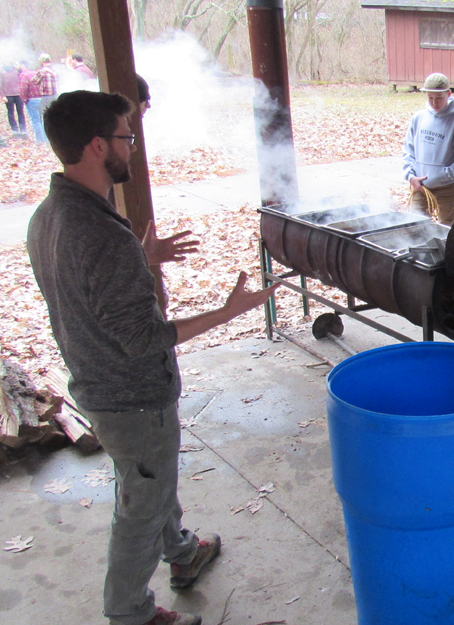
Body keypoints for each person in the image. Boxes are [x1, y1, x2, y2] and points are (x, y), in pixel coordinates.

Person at [27, 90, 276, 625]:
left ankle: (183, 554)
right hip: (132, 397)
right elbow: (143, 338)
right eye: (126, 137)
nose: (132, 148)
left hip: (96, 384)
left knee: (149, 478)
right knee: (140, 504)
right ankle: (129, 612)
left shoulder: (49, 215)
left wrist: (144, 257)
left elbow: (87, 292)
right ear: (98, 146)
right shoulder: (97, 233)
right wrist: (228, 311)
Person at [401, 72, 454, 225]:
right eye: (430, 98)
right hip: (420, 186)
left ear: (448, 94)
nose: (434, 102)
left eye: (439, 98)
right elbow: (408, 150)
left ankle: (442, 249)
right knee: (416, 224)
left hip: (447, 187)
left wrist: (443, 175)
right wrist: (410, 176)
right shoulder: (419, 118)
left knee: (445, 227)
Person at [25, 53, 58, 143]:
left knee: (46, 117)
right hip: (55, 96)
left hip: (46, 97)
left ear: (42, 61)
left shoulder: (42, 71)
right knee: (56, 116)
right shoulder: (54, 71)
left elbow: (34, 81)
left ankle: (47, 139)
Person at [2, 63, 26, 136]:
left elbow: (23, 77)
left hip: (18, 94)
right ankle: (15, 130)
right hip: (8, 95)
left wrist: (20, 69)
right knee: (10, 112)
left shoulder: (17, 70)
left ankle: (23, 130)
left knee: (20, 112)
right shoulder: (2, 71)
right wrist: (2, 95)